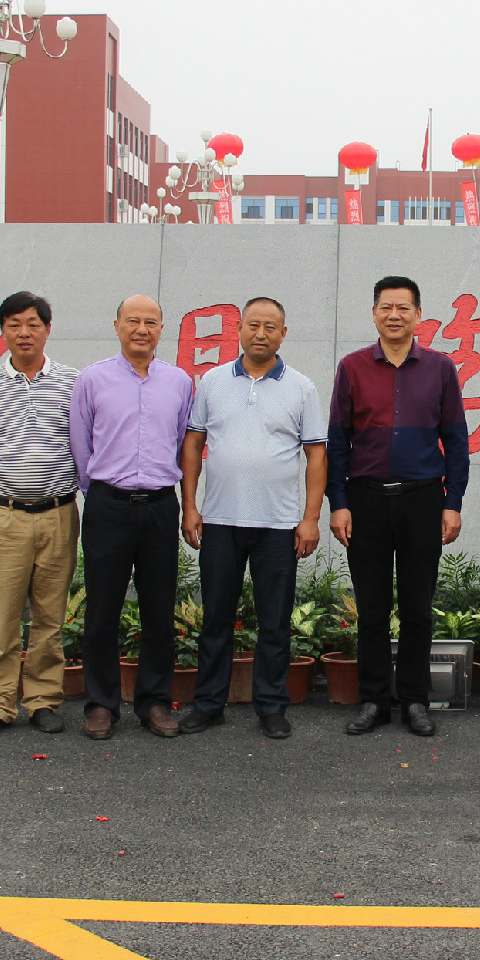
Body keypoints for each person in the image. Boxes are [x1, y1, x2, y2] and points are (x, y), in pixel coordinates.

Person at [178, 296, 328, 741]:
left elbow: (316, 455)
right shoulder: (212, 381)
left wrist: (310, 518)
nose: (261, 334)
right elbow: (193, 445)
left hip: (278, 525)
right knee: (216, 619)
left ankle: (271, 705)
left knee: (274, 622)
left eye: (270, 327)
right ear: (240, 328)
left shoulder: (301, 387)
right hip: (220, 520)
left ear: (283, 334)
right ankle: (209, 704)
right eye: (253, 325)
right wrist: (190, 506)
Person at [327, 275, 469, 738]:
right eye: (386, 307)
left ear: (418, 315)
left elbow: (456, 439)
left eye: (403, 308)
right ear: (374, 314)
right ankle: (373, 699)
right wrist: (339, 502)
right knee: (371, 608)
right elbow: (337, 441)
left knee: (417, 608)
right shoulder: (352, 367)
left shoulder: (440, 368)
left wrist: (452, 502)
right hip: (366, 499)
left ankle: (415, 700)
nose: (394, 315)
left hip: (423, 499)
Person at [0, 293, 80, 739]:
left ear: (47, 328)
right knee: (2, 615)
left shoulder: (72, 382)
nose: (24, 333)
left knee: (50, 615)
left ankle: (43, 700)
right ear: (3, 331)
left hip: (59, 514)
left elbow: (88, 442)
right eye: (14, 325)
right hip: (5, 518)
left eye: (32, 324)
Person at [71, 294, 195, 740]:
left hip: (160, 506)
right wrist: (100, 493)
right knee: (102, 609)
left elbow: (181, 442)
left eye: (151, 322)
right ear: (117, 326)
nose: (142, 329)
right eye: (133, 321)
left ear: (162, 329)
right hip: (108, 506)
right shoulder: (92, 379)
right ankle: (101, 704)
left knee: (158, 610)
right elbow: (81, 444)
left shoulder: (179, 382)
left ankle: (155, 702)